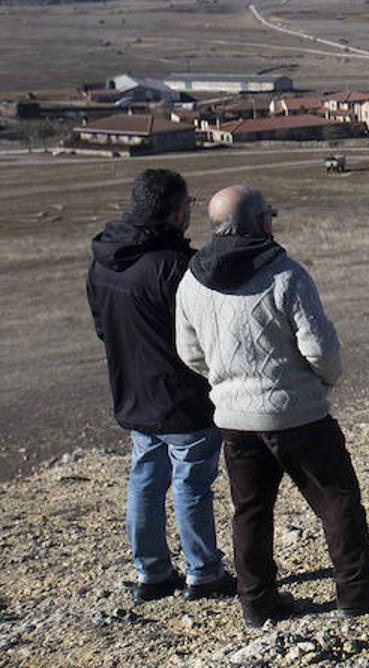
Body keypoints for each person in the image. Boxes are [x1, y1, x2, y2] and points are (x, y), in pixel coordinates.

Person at [174, 185, 369, 626]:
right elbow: (319, 347)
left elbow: (188, 351)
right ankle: (355, 589)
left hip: (234, 418)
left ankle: (257, 602)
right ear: (259, 221)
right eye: (268, 214)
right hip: (297, 412)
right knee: (337, 498)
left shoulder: (191, 279)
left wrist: (225, 384)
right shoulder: (285, 274)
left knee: (251, 510)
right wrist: (322, 381)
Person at [86, 168, 233, 603]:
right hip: (183, 396)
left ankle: (151, 572)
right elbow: (206, 334)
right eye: (188, 205)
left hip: (132, 391)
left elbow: (101, 326)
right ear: (175, 211)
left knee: (145, 481)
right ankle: (204, 573)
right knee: (191, 484)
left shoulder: (104, 259)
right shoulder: (174, 267)